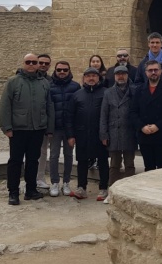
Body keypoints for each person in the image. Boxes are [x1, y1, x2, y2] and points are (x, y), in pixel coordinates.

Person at [0, 53, 55, 206]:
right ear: (23, 63)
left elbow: (49, 106)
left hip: (37, 129)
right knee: (15, 161)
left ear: (38, 64)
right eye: (28, 62)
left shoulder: (44, 83)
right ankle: (13, 192)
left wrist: (49, 128)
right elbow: (5, 106)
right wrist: (7, 127)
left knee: (33, 161)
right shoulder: (13, 82)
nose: (31, 64)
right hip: (18, 129)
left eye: (34, 62)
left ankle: (31, 190)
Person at [66, 67, 108, 201]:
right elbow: (69, 116)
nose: (91, 78)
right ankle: (81, 188)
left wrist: (106, 134)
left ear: (98, 78)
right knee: (82, 161)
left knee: (102, 161)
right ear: (84, 78)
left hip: (100, 134)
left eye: (94, 76)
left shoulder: (105, 93)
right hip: (82, 133)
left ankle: (103, 188)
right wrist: (70, 135)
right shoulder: (77, 95)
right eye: (88, 76)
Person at [130, 60, 162, 171]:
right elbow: (133, 112)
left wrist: (157, 126)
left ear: (160, 71)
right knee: (149, 169)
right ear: (146, 73)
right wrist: (142, 127)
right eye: (150, 70)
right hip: (145, 137)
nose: (153, 72)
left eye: (156, 70)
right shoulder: (139, 90)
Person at [100, 65, 136, 196]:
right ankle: (113, 191)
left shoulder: (134, 90)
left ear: (127, 75)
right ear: (114, 76)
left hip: (129, 132)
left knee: (129, 164)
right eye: (118, 74)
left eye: (123, 74)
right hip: (113, 132)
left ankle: (130, 191)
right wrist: (104, 134)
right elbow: (104, 115)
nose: (121, 76)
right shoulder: (108, 93)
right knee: (114, 164)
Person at [48, 60, 80, 197]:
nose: (62, 72)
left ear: (69, 71)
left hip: (69, 128)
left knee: (68, 156)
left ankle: (66, 182)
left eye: (65, 70)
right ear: (55, 71)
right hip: (55, 128)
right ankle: (55, 182)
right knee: (54, 156)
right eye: (59, 70)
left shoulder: (76, 87)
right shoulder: (49, 86)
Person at [35, 53, 52, 190]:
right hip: (26, 123)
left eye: (46, 63)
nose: (43, 65)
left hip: (43, 122)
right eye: (41, 62)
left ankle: (39, 178)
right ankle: (29, 179)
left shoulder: (50, 81)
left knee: (43, 151)